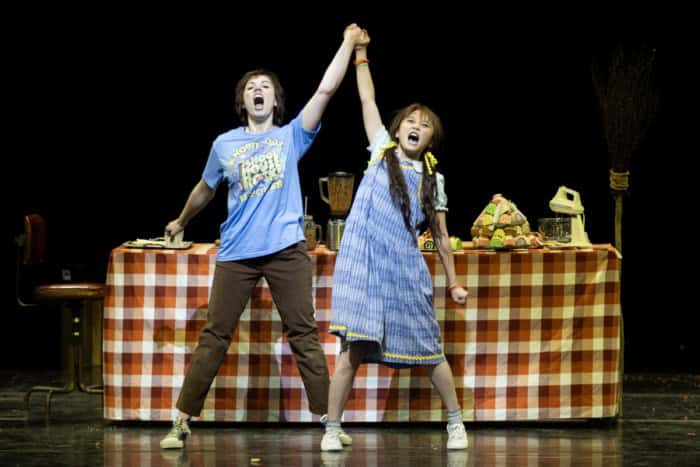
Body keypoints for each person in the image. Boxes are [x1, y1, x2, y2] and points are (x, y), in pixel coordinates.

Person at [160, 24, 368, 450]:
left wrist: (347, 44)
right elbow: (205, 189)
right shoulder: (224, 145)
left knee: (304, 333)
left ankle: (330, 423)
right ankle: (180, 421)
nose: (258, 91)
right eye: (251, 87)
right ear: (243, 101)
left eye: (265, 87)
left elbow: (326, 91)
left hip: (286, 250)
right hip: (237, 253)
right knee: (215, 334)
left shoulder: (290, 136)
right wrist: (181, 220)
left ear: (275, 99)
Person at [321, 29, 470, 452]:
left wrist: (453, 281)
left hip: (404, 270)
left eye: (424, 125)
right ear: (398, 127)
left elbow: (440, 237)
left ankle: (455, 423)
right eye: (410, 120)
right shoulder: (379, 150)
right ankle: (332, 428)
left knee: (429, 349)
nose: (415, 127)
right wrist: (362, 53)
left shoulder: (432, 179)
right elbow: (367, 99)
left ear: (430, 139)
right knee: (351, 351)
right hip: (364, 266)